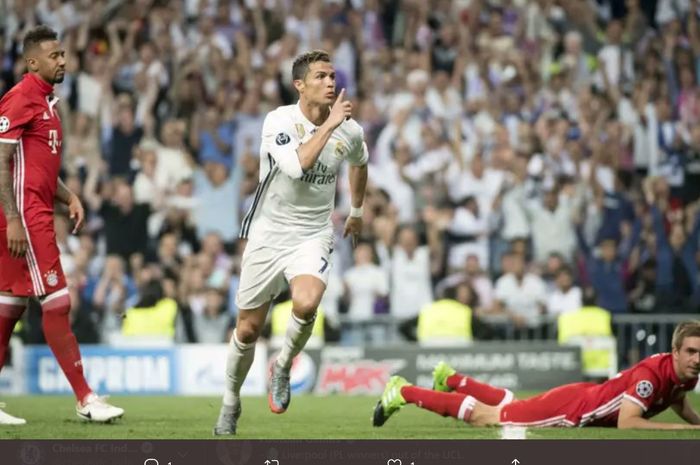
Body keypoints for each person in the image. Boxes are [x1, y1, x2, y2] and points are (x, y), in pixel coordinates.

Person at [213, 50, 368, 435]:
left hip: (312, 233)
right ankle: (230, 404)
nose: (330, 82)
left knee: (307, 300)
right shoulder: (279, 120)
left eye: (332, 76)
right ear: (299, 85)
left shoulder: (351, 130)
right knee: (248, 330)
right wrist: (330, 126)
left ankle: (282, 366)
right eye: (320, 76)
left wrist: (357, 210)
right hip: (268, 231)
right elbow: (297, 167)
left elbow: (360, 163)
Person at [0, 26, 124, 425]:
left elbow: (37, 169)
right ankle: (86, 398)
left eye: (64, 55)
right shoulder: (20, 99)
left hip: (32, 209)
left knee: (10, 306)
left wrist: (68, 196)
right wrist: (15, 219)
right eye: (54, 56)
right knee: (58, 301)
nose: (64, 61)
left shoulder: (48, 103)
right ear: (31, 62)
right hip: (24, 216)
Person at [373, 321, 700, 430]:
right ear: (674, 352)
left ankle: (453, 379)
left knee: (515, 407)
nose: (697, 359)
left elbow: (677, 400)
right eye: (690, 352)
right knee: (489, 418)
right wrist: (681, 432)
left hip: (579, 397)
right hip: (572, 411)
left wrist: (694, 423)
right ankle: (403, 392)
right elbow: (627, 422)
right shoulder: (651, 375)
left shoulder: (682, 375)